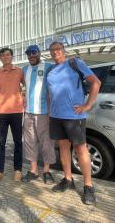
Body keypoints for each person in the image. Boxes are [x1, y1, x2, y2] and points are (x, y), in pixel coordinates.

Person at [47, 41, 101, 205]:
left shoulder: (75, 63)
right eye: (52, 50)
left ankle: (88, 186)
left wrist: (88, 105)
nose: (55, 52)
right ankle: (68, 179)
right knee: (63, 148)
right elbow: (51, 94)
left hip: (74, 116)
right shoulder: (51, 71)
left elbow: (95, 82)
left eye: (58, 49)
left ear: (63, 51)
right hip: (56, 117)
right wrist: (50, 110)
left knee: (80, 149)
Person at [21, 44, 55, 183]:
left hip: (44, 112)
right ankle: (33, 170)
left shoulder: (48, 67)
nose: (31, 56)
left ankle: (47, 170)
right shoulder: (24, 69)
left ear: (39, 53)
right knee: (30, 142)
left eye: (34, 53)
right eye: (29, 54)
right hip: (28, 112)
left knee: (46, 142)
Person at [0, 47, 24, 183]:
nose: (6, 57)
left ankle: (18, 170)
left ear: (12, 56)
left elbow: (26, 85)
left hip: (17, 111)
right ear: (0, 58)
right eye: (3, 55)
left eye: (8, 55)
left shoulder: (20, 71)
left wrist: (22, 95)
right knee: (0, 142)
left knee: (17, 142)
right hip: (1, 112)